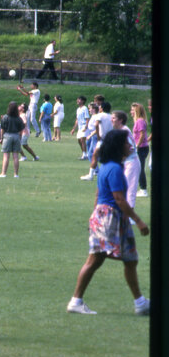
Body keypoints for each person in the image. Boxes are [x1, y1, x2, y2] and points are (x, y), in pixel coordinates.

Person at [66, 129, 150, 316]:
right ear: (118, 146)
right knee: (96, 259)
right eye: (127, 143)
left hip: (112, 217)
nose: (130, 145)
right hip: (109, 217)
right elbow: (119, 199)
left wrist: (93, 214)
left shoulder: (109, 166)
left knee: (131, 259)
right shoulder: (113, 169)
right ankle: (76, 301)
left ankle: (140, 303)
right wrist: (139, 221)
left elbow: (98, 194)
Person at [0, 102, 24, 178]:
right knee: (15, 156)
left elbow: (2, 129)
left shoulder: (5, 117)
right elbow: (21, 130)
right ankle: (16, 174)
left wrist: (1, 138)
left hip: (7, 136)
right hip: (16, 136)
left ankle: (3, 173)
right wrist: (20, 138)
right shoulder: (19, 118)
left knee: (6, 156)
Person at [131, 103, 149, 198]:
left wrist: (137, 146)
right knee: (137, 168)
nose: (131, 112)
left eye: (133, 110)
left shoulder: (140, 121)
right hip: (140, 147)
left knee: (140, 168)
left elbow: (142, 135)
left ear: (137, 111)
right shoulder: (138, 121)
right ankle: (141, 189)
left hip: (141, 148)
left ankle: (144, 190)